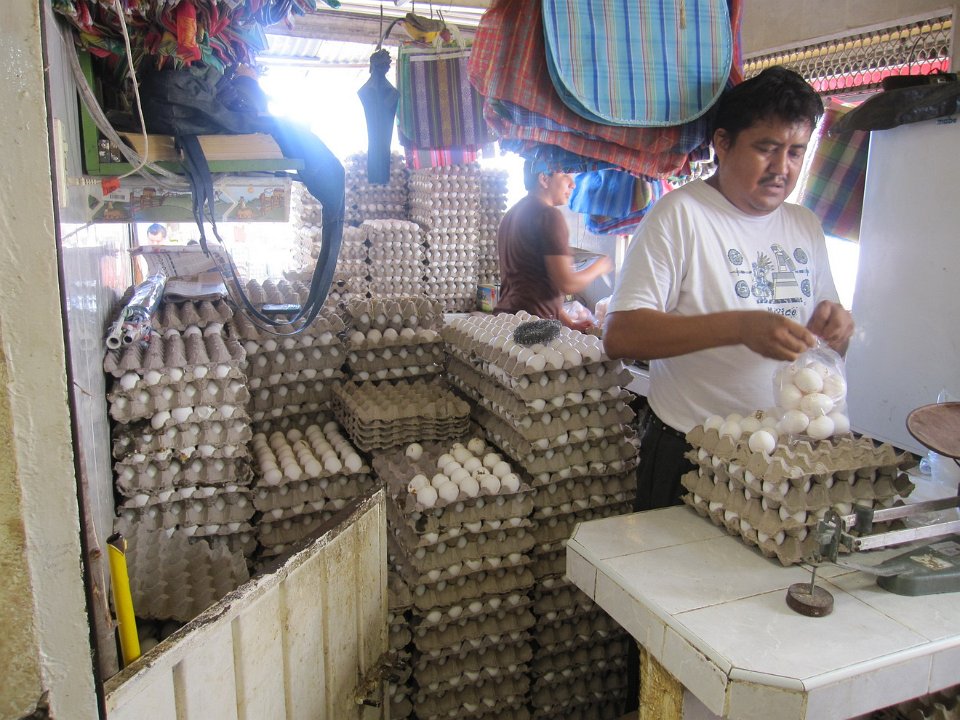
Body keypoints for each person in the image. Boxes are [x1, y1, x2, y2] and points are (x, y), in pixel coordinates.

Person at [603, 66, 855, 512]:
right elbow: (621, 335)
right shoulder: (680, 216)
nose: (782, 168)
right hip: (691, 448)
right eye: (766, 149)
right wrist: (739, 327)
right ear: (723, 142)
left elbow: (827, 343)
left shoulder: (805, 225)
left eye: (796, 152)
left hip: (783, 451)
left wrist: (836, 331)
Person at [494, 160, 614, 332]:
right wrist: (598, 267)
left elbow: (537, 282)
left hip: (506, 320)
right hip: (533, 327)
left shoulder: (512, 214)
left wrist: (570, 323)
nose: (573, 184)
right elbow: (567, 283)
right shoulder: (549, 215)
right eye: (565, 175)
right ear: (544, 179)